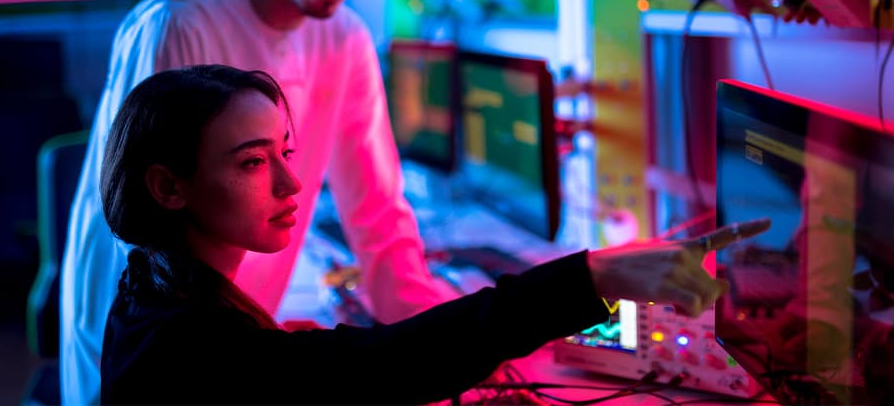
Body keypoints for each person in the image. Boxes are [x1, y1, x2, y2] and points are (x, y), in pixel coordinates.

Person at [99, 64, 756, 404]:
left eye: (286, 152)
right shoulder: (189, 344)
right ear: (167, 186)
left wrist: (286, 352)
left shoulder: (151, 286)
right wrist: (596, 276)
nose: (291, 185)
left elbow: (307, 374)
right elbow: (389, 367)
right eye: (250, 162)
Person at [60, 0, 456, 405]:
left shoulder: (345, 40)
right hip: (150, 338)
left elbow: (378, 210)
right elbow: (145, 234)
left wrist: (437, 343)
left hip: (241, 327)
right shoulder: (179, 24)